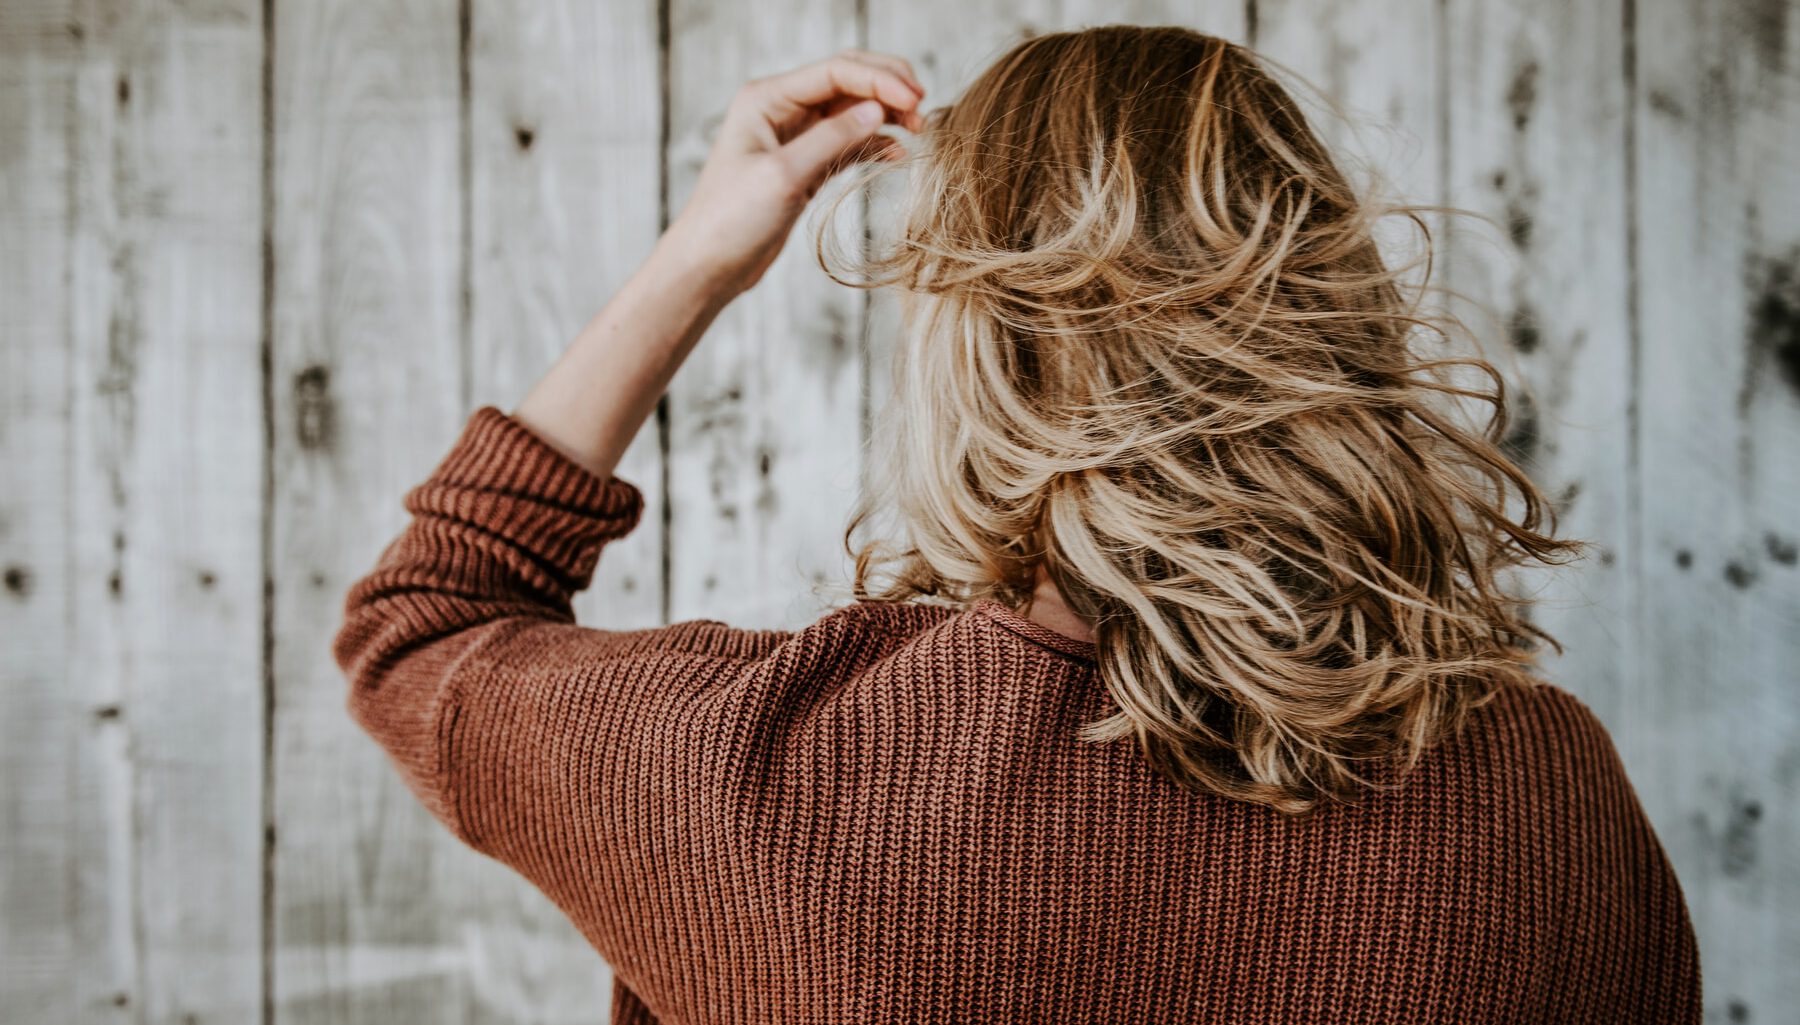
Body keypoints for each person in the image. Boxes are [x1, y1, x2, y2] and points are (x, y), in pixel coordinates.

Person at [334, 25, 1701, 1023]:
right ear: (1333, 320)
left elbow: (426, 618)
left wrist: (702, 252)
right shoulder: (1549, 798)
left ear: (975, 355)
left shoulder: (765, 771)